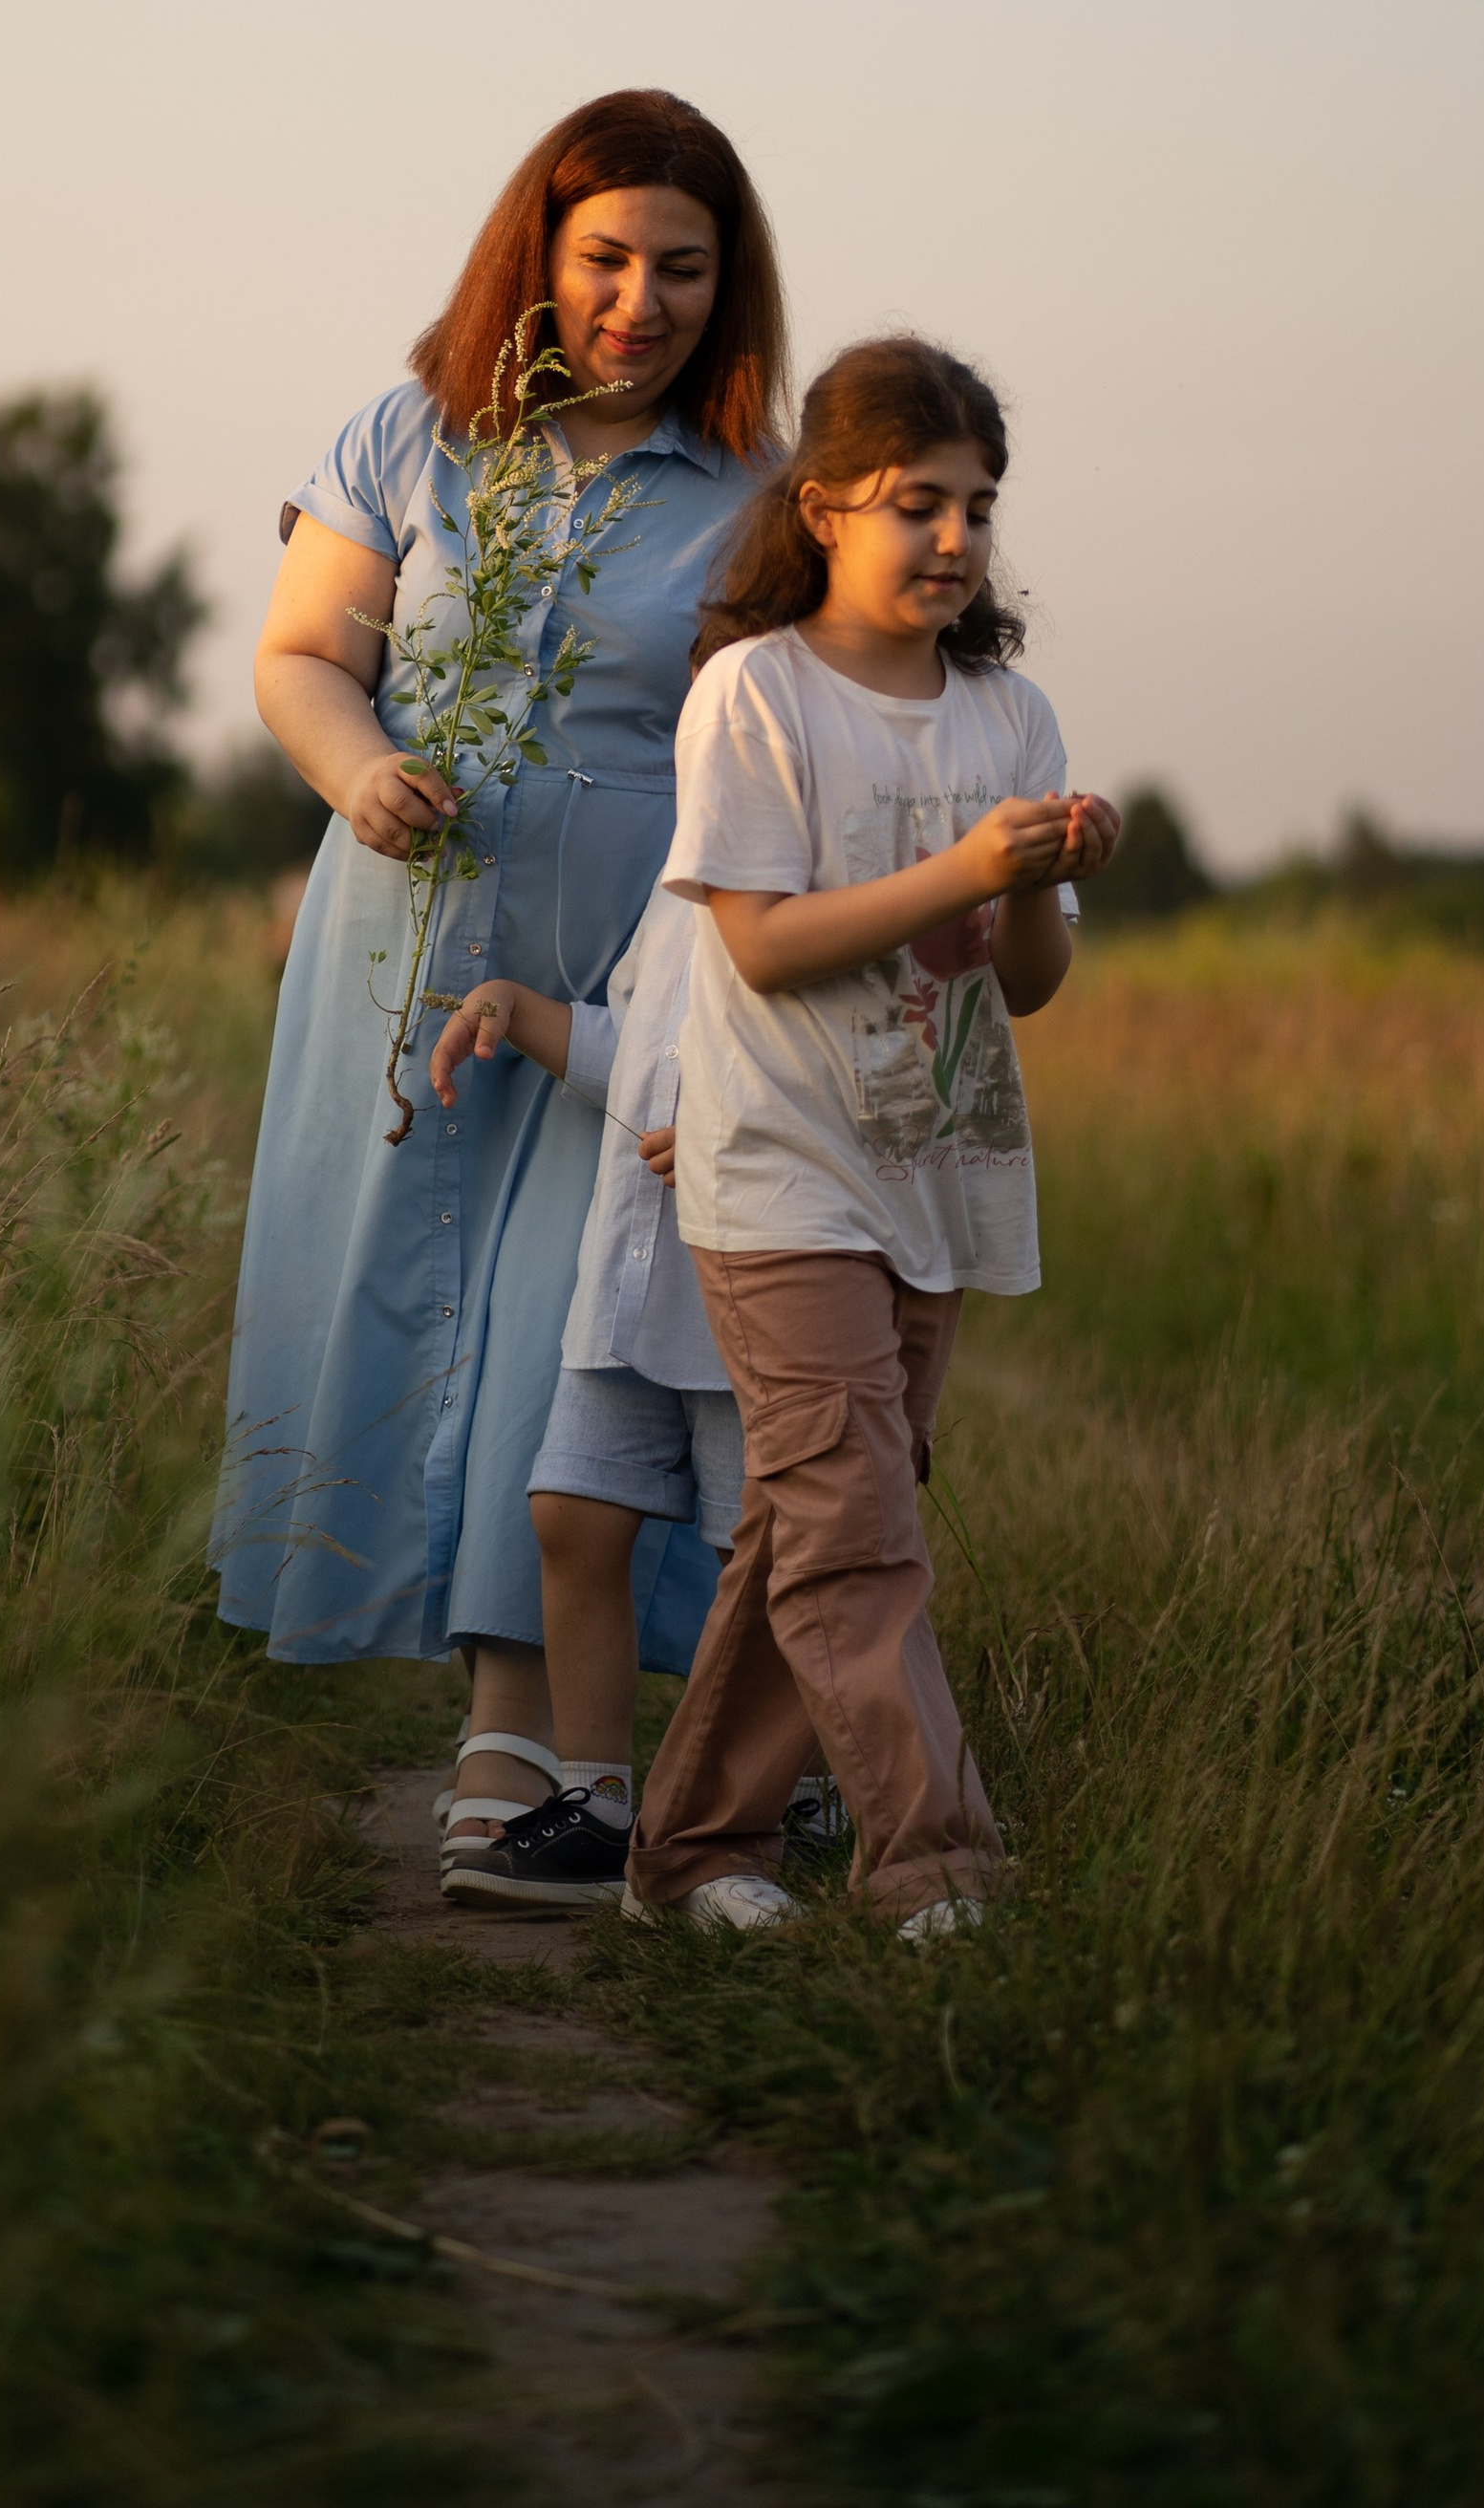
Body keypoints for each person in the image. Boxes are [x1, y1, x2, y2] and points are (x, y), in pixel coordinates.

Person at [209, 92, 786, 1885]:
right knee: (391, 1297)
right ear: (536, 255)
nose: (641, 299)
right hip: (405, 936)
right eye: (607, 256)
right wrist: (355, 768)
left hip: (632, 957)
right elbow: (304, 652)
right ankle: (528, 1720)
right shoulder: (412, 435)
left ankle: (512, 1735)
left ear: (728, 286)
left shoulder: (763, 491)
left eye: (684, 270)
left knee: (570, 1326)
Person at [622, 335, 1119, 1942]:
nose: (958, 542)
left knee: (820, 1520)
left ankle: (690, 1850)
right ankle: (937, 1864)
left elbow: (1027, 987)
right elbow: (758, 945)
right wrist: (970, 866)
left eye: (979, 507)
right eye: (921, 506)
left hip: (936, 1169)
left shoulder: (1008, 715)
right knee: (853, 1526)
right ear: (824, 506)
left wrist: (1039, 876)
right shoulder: (754, 696)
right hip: (780, 1172)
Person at [421, 891, 850, 1907]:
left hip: (743, 1299)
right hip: (625, 1288)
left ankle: (800, 1788)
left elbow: (850, 1072)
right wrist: (518, 1010)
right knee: (568, 1514)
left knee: (761, 1561)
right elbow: (638, 1050)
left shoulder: (820, 892)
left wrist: (738, 1122)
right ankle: (597, 1801)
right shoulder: (675, 893)